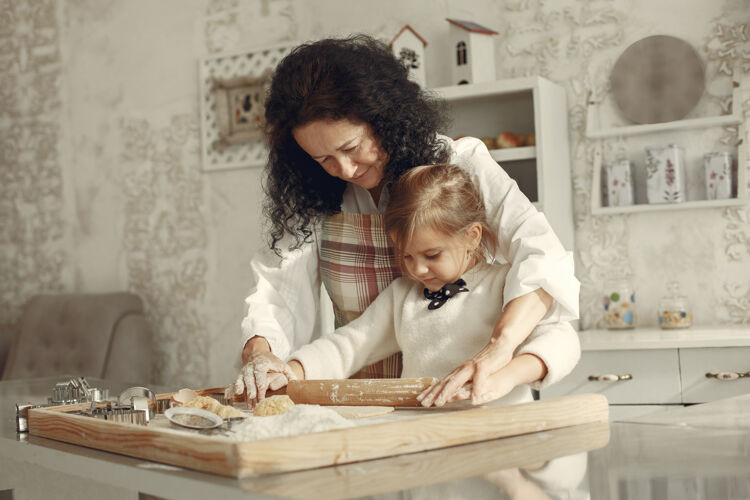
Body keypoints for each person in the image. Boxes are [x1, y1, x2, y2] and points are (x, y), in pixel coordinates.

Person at [226, 34, 579, 408]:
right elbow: (279, 295)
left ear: (384, 119)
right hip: (368, 405)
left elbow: (541, 255)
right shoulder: (314, 195)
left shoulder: (459, 166)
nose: (344, 169)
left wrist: (500, 350)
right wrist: (263, 357)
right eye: (322, 159)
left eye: (350, 148)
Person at [275, 164, 580, 407]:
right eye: (405, 255)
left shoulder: (505, 284)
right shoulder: (402, 296)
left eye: (432, 255)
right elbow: (348, 346)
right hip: (426, 444)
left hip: (500, 442)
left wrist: (506, 377)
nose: (416, 269)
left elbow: (563, 342)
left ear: (472, 237)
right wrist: (292, 372)